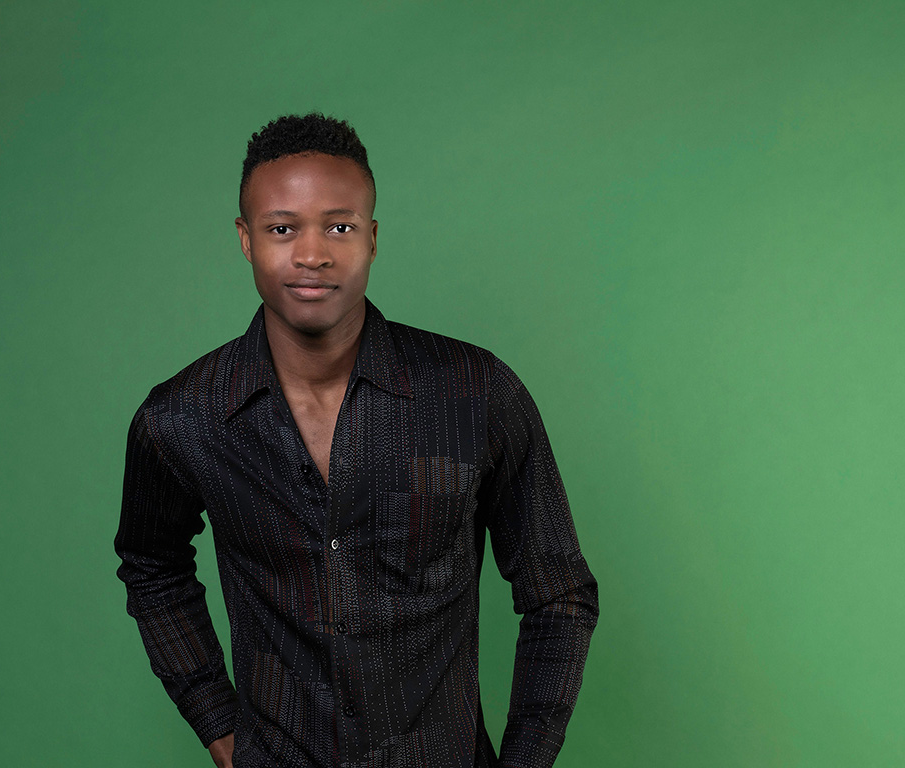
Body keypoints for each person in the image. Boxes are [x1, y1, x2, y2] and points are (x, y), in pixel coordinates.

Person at [114, 113, 599, 768]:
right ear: (246, 240)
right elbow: (151, 565)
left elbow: (558, 592)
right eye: (282, 228)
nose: (312, 254)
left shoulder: (476, 393)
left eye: (338, 227)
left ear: (371, 238)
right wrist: (216, 722)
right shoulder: (182, 418)